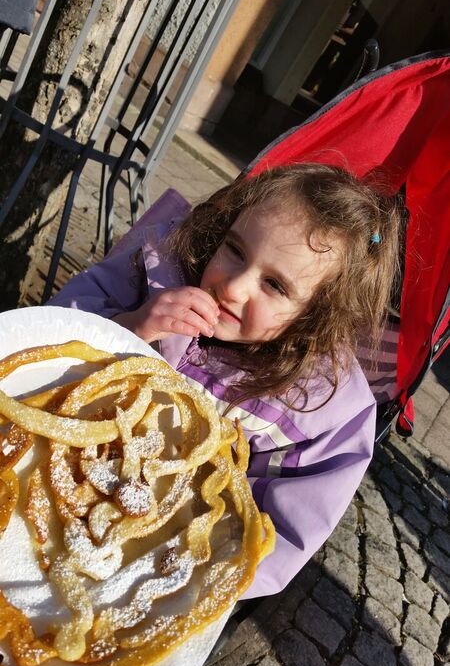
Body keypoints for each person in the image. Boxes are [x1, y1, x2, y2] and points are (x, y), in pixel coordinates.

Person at [48, 163, 403, 598]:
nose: (234, 287)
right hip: (52, 473)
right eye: (235, 250)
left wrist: (198, 578)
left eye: (274, 285)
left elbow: (277, 535)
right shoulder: (156, 272)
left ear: (317, 315)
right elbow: (55, 331)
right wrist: (131, 325)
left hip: (156, 568)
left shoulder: (317, 413)